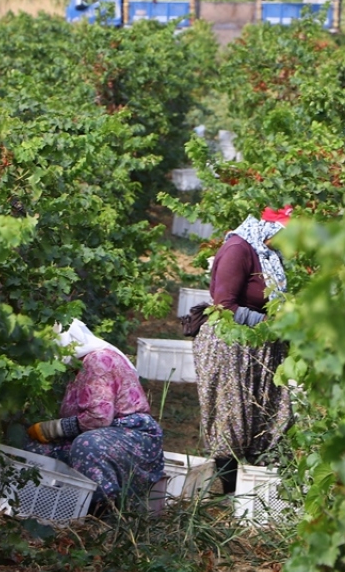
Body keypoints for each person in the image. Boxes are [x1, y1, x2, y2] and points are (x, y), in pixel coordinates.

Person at [194, 206, 294, 493]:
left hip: (259, 345)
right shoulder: (238, 249)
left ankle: (254, 493)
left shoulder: (268, 254)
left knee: (269, 415)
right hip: (230, 344)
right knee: (232, 415)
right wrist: (268, 322)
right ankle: (228, 490)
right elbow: (223, 305)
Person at [25, 319, 165, 512]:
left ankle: (101, 514)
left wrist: (52, 428)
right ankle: (51, 511)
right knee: (40, 451)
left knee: (88, 445)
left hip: (134, 435)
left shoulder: (98, 360)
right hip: (105, 434)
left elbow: (98, 418)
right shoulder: (79, 368)